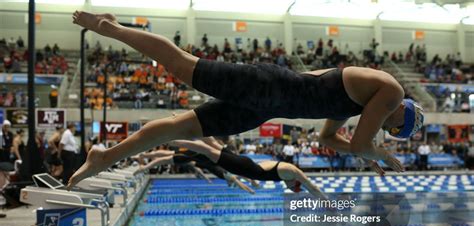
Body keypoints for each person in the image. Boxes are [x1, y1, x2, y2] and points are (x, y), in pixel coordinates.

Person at [68, 12, 424, 188]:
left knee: (178, 128)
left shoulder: (356, 105)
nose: (387, 133)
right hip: (267, 86)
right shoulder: (391, 91)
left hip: (264, 109)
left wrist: (365, 152)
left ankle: (105, 157)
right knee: (181, 65)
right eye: (393, 132)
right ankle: (112, 28)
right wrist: (372, 152)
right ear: (400, 118)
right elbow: (362, 143)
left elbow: (328, 139)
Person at [169, 138, 326, 198]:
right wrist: (326, 202)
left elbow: (259, 168)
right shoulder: (291, 171)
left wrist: (253, 181)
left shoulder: (283, 173)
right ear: (295, 182)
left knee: (213, 145)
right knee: (208, 150)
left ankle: (193, 128)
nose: (290, 188)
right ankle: (179, 141)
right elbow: (311, 186)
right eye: (294, 188)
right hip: (243, 167)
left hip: (245, 166)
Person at [136, 148, 255, 194]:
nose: (231, 183)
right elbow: (240, 180)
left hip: (197, 157)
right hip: (196, 157)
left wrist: (252, 181)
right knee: (165, 158)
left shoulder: (226, 172)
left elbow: (241, 174)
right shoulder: (229, 176)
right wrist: (250, 190)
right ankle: (145, 162)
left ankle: (145, 155)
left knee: (167, 156)